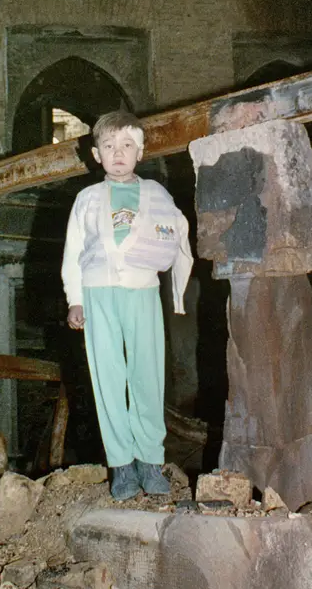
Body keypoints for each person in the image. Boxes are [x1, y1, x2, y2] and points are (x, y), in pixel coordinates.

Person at [61, 110, 193, 501]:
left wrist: (175, 287)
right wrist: (75, 300)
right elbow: (72, 254)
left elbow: (176, 237)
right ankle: (120, 466)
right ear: (96, 154)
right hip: (98, 293)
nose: (118, 153)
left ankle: (150, 462)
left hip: (142, 292)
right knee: (108, 378)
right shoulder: (86, 199)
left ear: (141, 152)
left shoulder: (156, 194)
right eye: (109, 146)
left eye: (127, 146)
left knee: (147, 375)